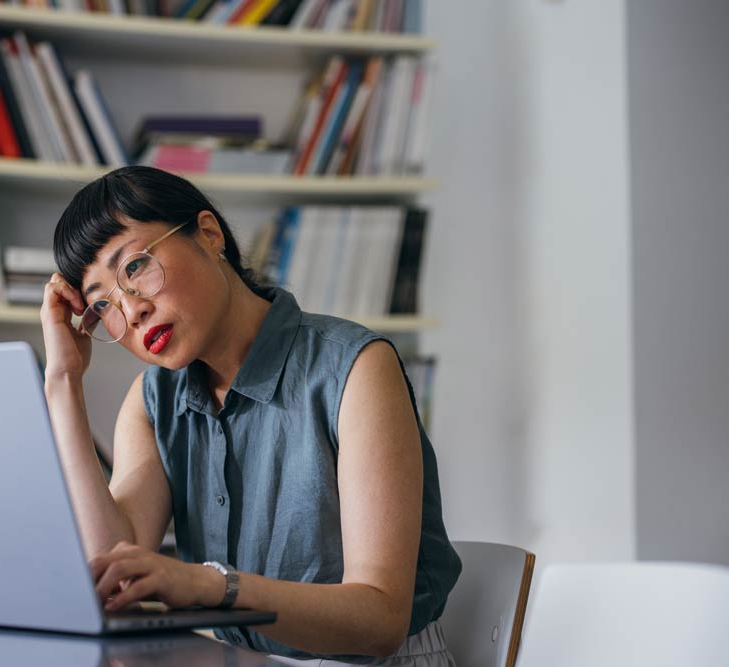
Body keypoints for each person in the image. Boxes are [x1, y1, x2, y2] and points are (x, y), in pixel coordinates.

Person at [41, 166, 461, 666]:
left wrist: (209, 585)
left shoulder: (355, 369)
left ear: (209, 235)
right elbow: (114, 569)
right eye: (102, 304)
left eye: (135, 267)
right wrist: (63, 383)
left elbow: (380, 622)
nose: (130, 312)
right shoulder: (153, 400)